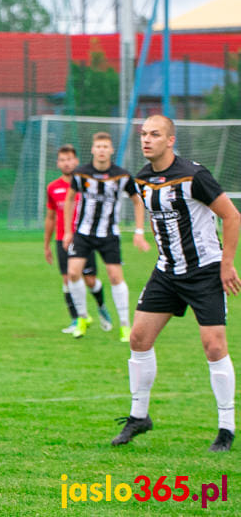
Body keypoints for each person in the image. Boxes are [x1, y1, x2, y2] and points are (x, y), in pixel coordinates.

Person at [112, 114, 240, 452]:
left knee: (214, 346)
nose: (146, 140)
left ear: (171, 140)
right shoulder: (141, 180)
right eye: (143, 134)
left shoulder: (194, 176)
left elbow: (232, 215)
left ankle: (226, 427)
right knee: (138, 337)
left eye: (154, 134)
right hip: (167, 271)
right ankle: (139, 416)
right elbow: (156, 221)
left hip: (205, 271)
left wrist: (227, 264)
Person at [62, 132, 150, 341]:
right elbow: (69, 200)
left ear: (111, 150)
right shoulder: (81, 174)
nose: (101, 150)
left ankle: (125, 326)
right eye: (98, 146)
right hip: (83, 233)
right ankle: (82, 318)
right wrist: (67, 231)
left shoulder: (122, 176)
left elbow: (138, 201)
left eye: (105, 146)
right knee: (73, 273)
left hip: (109, 234)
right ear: (93, 149)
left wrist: (139, 231)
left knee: (115, 277)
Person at [44, 144, 112, 334]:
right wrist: (46, 245)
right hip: (62, 239)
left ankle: (101, 308)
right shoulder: (53, 187)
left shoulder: (86, 184)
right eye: (62, 160)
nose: (66, 163)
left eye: (69, 159)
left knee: (90, 280)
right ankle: (77, 319)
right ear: (58, 163)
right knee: (67, 279)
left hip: (85, 238)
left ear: (76, 161)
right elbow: (50, 217)